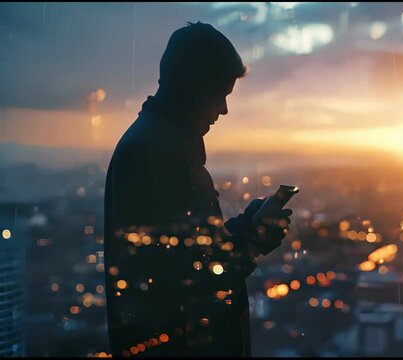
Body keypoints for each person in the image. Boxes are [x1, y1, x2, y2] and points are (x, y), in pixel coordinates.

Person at [103, 21, 292, 357]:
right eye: (219, 94)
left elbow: (192, 254)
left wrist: (244, 229)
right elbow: (182, 283)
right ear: (192, 86)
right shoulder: (154, 154)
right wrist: (252, 241)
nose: (223, 109)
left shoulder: (163, 147)